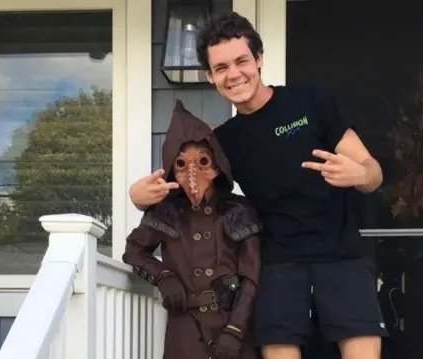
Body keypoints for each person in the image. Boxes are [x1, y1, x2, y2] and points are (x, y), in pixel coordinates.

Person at [129, 11, 388, 359]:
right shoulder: (222, 143)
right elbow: (186, 192)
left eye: (241, 61)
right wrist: (137, 196)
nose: (234, 74)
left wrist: (360, 176)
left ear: (259, 59)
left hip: (341, 253)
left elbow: (373, 173)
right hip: (277, 263)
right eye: (221, 68)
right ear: (210, 76)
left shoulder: (312, 101)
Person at [123, 100, 262, 359]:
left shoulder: (240, 210)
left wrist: (235, 329)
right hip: (185, 327)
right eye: (181, 164)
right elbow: (134, 250)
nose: (192, 173)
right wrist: (163, 276)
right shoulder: (167, 211)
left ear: (217, 165)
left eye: (203, 161)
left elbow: (251, 276)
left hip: (232, 323)